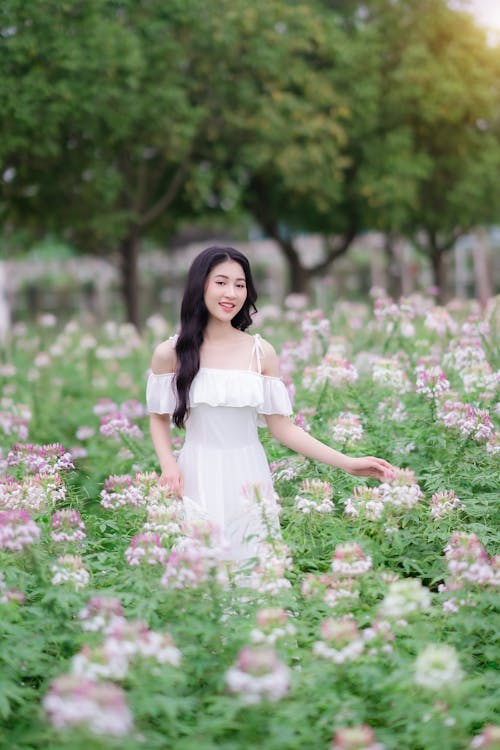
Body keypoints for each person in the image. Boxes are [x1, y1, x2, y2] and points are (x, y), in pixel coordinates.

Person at [147, 246, 394, 561]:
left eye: (240, 284)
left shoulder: (260, 352)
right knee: (201, 569)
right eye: (221, 282)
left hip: (249, 473)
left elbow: (282, 428)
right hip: (196, 471)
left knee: (254, 565)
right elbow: (158, 417)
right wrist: (169, 465)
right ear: (201, 286)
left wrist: (347, 462)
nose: (231, 293)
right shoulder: (170, 353)